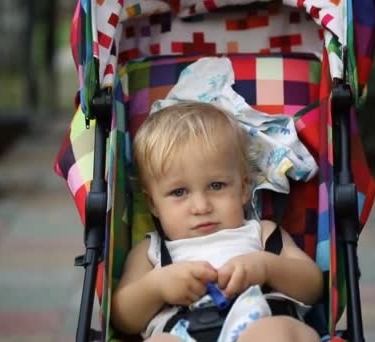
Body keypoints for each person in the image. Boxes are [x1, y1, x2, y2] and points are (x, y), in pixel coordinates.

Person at [111, 102, 323, 342]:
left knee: (277, 333)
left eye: (216, 186)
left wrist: (266, 267)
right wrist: (157, 286)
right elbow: (122, 317)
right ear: (153, 204)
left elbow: (312, 286)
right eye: (179, 192)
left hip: (258, 325)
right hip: (183, 332)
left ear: (243, 188)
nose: (201, 207)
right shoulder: (151, 252)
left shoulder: (262, 233)